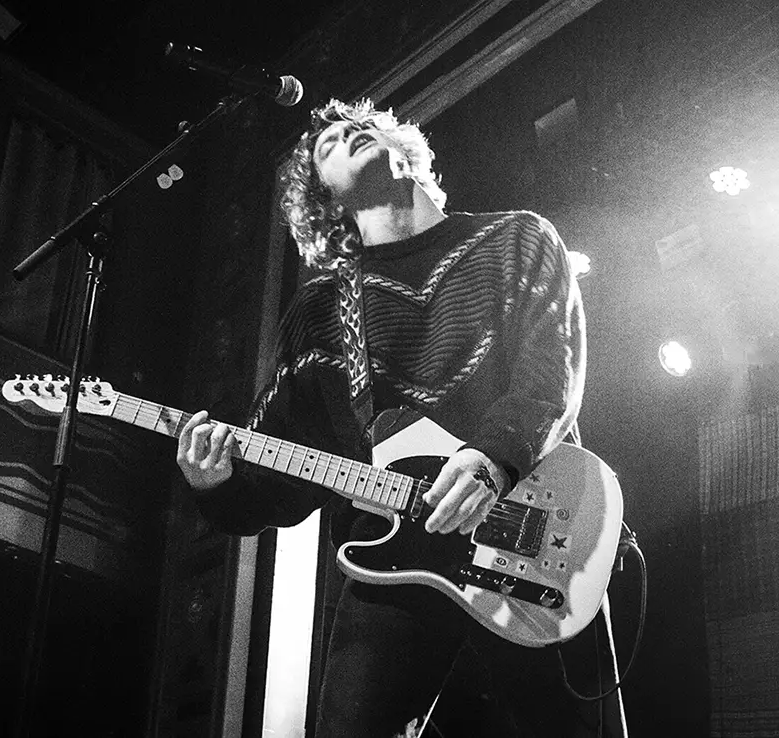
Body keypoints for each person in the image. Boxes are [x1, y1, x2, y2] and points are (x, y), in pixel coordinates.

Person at [176, 99, 626, 737]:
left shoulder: (517, 238)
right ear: (325, 202)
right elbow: (282, 469)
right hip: (399, 565)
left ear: (404, 147)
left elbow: (552, 367)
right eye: (329, 144)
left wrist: (491, 458)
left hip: (538, 543)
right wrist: (215, 483)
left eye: (357, 126)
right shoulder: (322, 312)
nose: (347, 133)